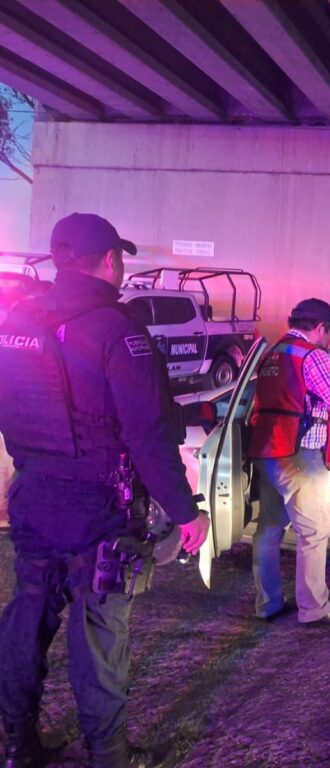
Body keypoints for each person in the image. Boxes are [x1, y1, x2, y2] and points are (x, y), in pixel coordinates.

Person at [0, 213, 210, 768]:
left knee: (27, 617)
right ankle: (109, 757)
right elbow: (147, 434)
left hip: (34, 494)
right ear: (112, 260)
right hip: (97, 507)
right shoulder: (119, 330)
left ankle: (17, 745)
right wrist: (186, 512)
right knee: (98, 632)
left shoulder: (17, 320)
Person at [247, 298, 330, 627]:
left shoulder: (272, 353)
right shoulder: (313, 356)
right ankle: (314, 610)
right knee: (314, 532)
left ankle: (267, 604)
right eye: (329, 332)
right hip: (300, 456)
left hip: (268, 450)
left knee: (269, 530)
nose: (329, 339)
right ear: (320, 328)